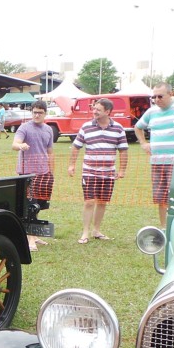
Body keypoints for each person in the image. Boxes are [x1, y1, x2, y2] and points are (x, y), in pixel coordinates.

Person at [68, 98, 129, 244]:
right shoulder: (86, 127)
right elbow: (76, 146)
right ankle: (85, 232)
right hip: (89, 171)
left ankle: (96, 230)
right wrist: (72, 165)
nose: (94, 112)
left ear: (107, 112)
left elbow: (123, 151)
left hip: (108, 173)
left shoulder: (118, 128)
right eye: (94, 109)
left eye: (98, 110)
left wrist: (122, 170)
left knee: (102, 202)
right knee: (89, 202)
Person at [134, 82, 174, 227]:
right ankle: (164, 228)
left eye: (160, 96)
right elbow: (138, 127)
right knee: (161, 198)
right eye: (154, 97)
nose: (156, 100)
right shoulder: (151, 112)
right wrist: (143, 143)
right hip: (157, 163)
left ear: (170, 94)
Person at [11, 100, 56, 251]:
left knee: (39, 206)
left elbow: (50, 152)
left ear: (45, 114)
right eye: (34, 112)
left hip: (44, 173)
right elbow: (14, 144)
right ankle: (29, 239)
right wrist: (20, 145)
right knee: (30, 206)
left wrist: (51, 172)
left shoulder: (48, 129)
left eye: (40, 113)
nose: (37, 115)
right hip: (27, 174)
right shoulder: (24, 128)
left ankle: (35, 235)